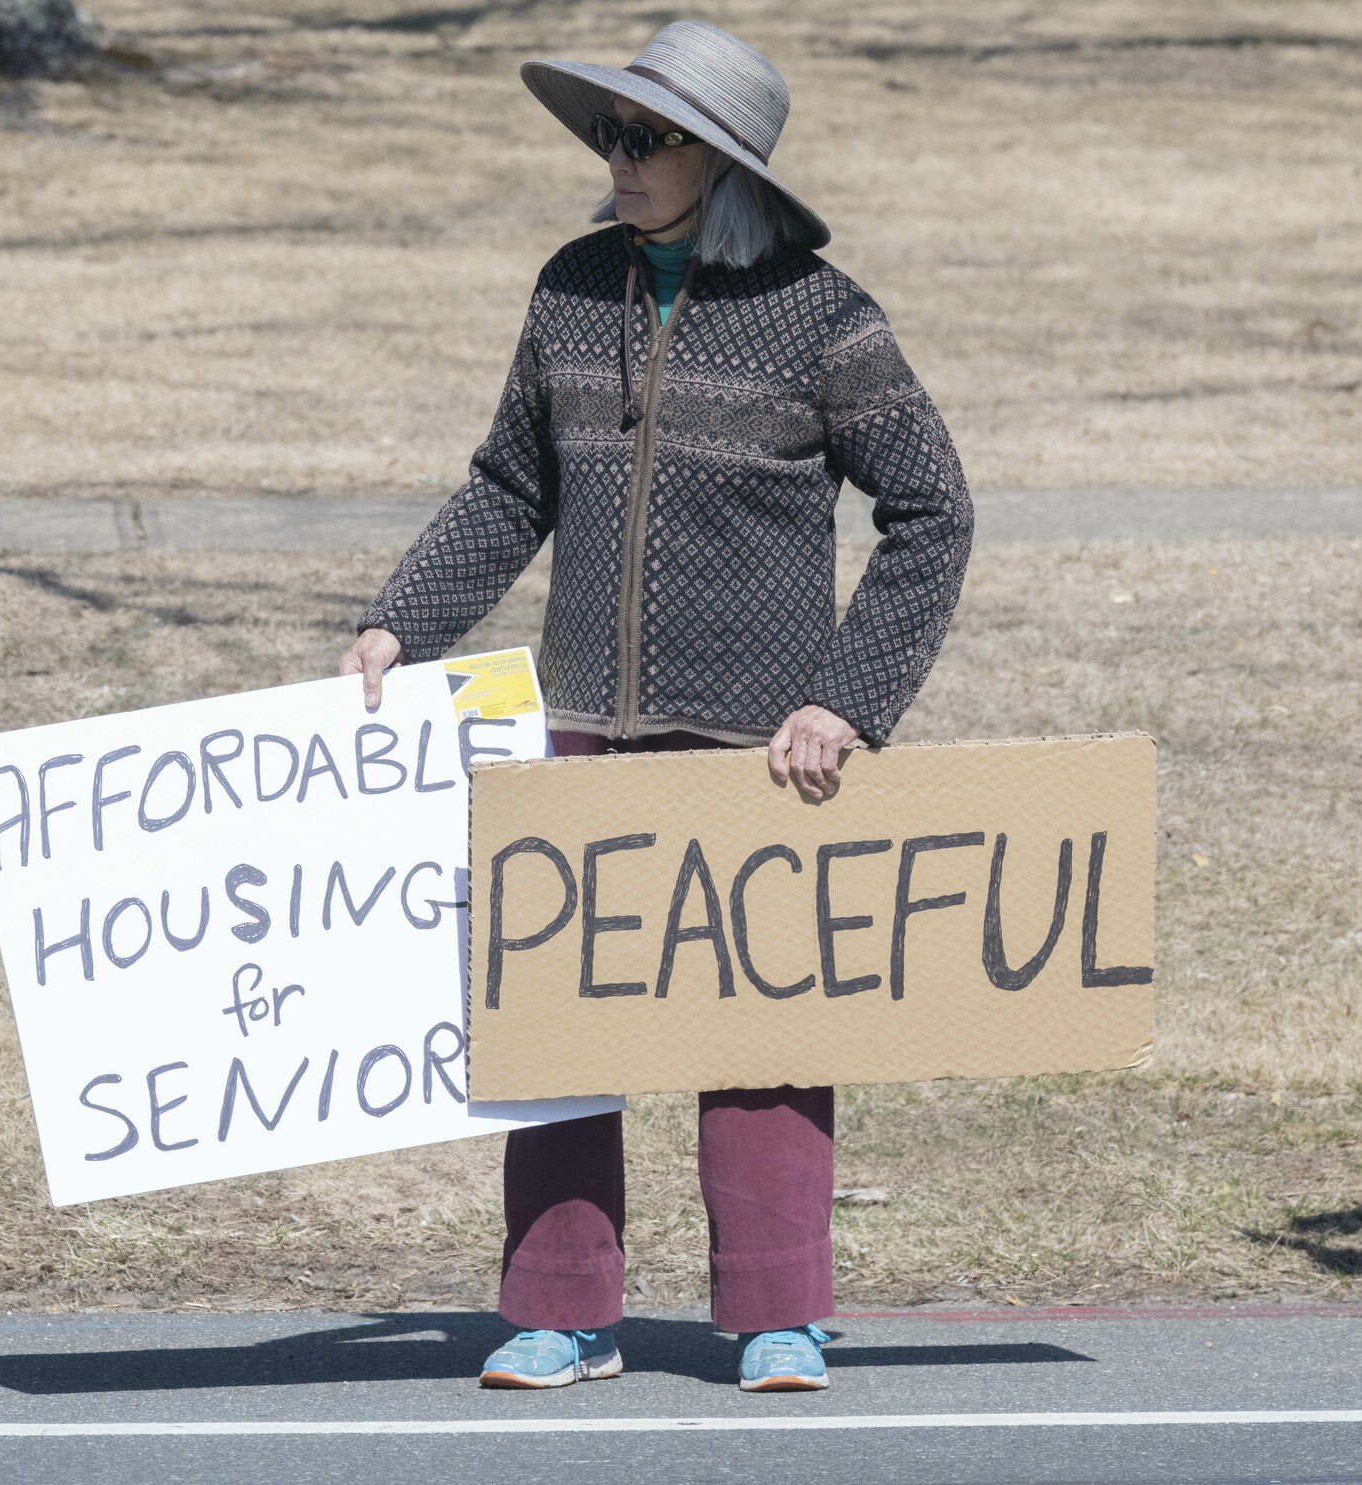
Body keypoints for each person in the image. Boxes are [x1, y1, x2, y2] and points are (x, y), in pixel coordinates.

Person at [341, 20, 973, 1393]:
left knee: (761, 1040)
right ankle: (562, 1310)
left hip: (759, 749)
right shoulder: (571, 290)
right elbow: (513, 485)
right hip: (578, 728)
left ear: (722, 164)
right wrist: (402, 617)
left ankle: (774, 1315)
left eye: (648, 139)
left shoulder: (824, 317)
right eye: (611, 135)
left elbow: (933, 510)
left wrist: (849, 702)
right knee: (560, 1034)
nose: (615, 160)